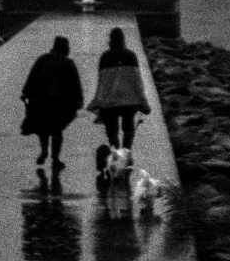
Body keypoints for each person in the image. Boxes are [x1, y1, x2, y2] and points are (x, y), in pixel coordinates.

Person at [20, 36, 84, 168]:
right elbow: (75, 83)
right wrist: (79, 99)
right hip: (59, 103)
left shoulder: (42, 59)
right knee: (56, 130)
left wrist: (25, 93)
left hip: (41, 100)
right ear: (66, 48)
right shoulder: (68, 63)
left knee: (43, 128)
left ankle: (44, 151)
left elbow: (32, 76)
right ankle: (55, 158)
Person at [86, 27, 151, 152]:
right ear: (123, 40)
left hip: (110, 103)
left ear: (110, 40)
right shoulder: (131, 56)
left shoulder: (105, 57)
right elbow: (138, 83)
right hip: (129, 102)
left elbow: (102, 83)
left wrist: (97, 102)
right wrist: (143, 102)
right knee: (129, 129)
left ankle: (115, 153)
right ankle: (126, 152)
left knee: (112, 132)